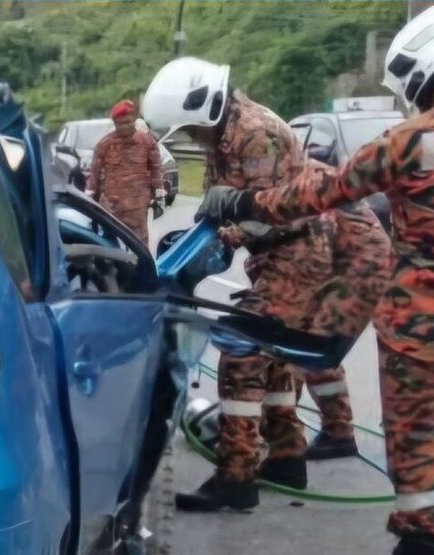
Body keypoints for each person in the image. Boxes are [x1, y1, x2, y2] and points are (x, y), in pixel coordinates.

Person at [198, 3, 434, 555]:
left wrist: (242, 205)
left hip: (419, 322)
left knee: (414, 438)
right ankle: (429, 546)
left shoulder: (409, 141)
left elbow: (322, 192)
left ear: (423, 70)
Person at [143, 57, 333, 512]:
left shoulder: (256, 134)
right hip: (276, 257)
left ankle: (237, 476)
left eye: (191, 130)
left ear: (206, 108)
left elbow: (269, 213)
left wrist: (229, 234)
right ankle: (287, 457)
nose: (191, 139)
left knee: (241, 355)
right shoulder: (225, 134)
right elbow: (221, 202)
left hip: (299, 254)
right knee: (274, 360)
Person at [296, 159, 396, 462]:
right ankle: (336, 431)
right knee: (312, 348)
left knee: (312, 345)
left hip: (365, 271)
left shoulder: (301, 193)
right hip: (372, 264)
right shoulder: (308, 181)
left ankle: (337, 433)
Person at [88, 99, 164, 242]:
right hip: (112, 208)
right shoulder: (104, 145)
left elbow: (156, 168)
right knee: (111, 245)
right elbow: (94, 177)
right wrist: (90, 199)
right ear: (115, 124)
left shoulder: (146, 141)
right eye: (121, 123)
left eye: (129, 122)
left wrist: (159, 196)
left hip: (138, 208)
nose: (126, 127)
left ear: (134, 120)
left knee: (139, 245)